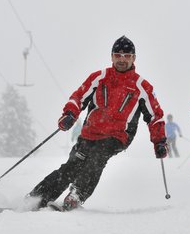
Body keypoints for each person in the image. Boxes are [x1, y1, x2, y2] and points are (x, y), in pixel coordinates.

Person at [27, 36, 168, 211]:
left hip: (118, 136)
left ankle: (76, 195)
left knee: (97, 157)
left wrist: (159, 141)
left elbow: (155, 116)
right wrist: (70, 114)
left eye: (127, 56)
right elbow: (78, 97)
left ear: (133, 58)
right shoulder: (99, 78)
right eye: (118, 55)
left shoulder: (141, 87)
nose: (122, 59)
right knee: (71, 166)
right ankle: (37, 198)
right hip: (90, 133)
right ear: (112, 57)